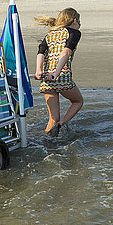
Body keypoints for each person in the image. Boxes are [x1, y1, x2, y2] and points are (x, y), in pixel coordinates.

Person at [34, 8, 84, 137]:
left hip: (46, 77)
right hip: (61, 76)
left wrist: (39, 71)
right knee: (78, 101)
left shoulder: (50, 34)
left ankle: (46, 143)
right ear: (74, 20)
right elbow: (66, 52)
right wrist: (56, 73)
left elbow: (41, 52)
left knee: (52, 118)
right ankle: (62, 123)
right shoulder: (74, 32)